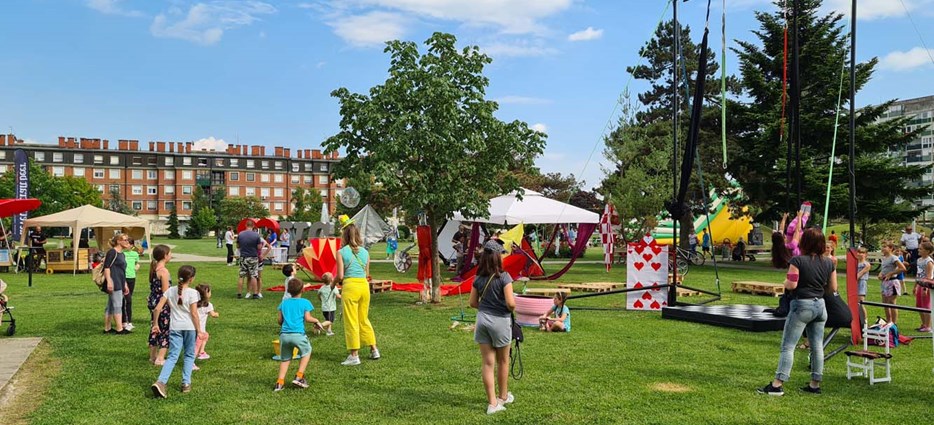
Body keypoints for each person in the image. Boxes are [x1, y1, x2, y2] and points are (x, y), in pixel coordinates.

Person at [758, 228, 836, 396]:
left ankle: (777, 385)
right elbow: (833, 288)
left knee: (788, 346)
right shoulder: (829, 262)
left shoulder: (797, 260)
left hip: (801, 305)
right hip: (820, 306)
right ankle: (815, 384)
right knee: (817, 346)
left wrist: (785, 283)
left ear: (804, 242)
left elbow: (792, 284)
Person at [468, 239, 516, 414]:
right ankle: (503, 396)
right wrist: (511, 307)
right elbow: (510, 303)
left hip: (482, 320)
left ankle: (492, 403)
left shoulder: (478, 278)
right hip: (500, 321)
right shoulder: (504, 277)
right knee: (503, 361)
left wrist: (486, 308)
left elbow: (472, 302)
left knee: (487, 363)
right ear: (497, 257)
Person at [150, 265, 202, 398]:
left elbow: (157, 308)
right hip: (189, 328)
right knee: (189, 355)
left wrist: (155, 324)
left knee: (172, 356)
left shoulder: (169, 291)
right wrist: (199, 330)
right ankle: (186, 383)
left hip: (175, 327)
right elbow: (194, 314)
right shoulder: (193, 293)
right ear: (191, 279)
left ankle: (161, 381)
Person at [335, 215, 379, 366]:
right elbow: (367, 274)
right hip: (363, 287)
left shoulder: (341, 252)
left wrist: (333, 283)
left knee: (351, 321)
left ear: (344, 235)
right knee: (363, 319)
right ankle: (374, 349)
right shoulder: (365, 252)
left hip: (350, 287)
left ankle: (354, 355)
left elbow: (340, 276)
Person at [274, 277, 324, 392]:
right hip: (298, 335)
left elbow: (280, 321)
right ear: (302, 289)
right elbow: (308, 318)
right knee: (307, 351)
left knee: (285, 359)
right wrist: (316, 321)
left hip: (284, 336)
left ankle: (279, 383)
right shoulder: (305, 302)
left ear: (288, 290)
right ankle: (299, 376)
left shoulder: (283, 303)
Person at [148, 245, 172, 365]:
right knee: (165, 329)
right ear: (165, 256)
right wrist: (172, 305)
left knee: (155, 326)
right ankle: (160, 358)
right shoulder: (164, 271)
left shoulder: (154, 269)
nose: (171, 256)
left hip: (153, 302)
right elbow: (166, 292)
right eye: (170, 254)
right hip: (161, 304)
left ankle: (153, 356)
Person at [103, 234, 131, 334]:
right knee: (117, 305)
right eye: (125, 240)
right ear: (118, 241)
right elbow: (106, 267)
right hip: (114, 282)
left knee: (111, 306)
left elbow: (122, 271)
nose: (127, 242)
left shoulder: (122, 254)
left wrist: (125, 284)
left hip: (120, 282)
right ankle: (119, 329)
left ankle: (107, 328)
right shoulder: (112, 252)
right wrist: (109, 281)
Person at [237, 220, 272, 299]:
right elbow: (259, 247)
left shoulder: (240, 234)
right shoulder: (256, 235)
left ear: (246, 225)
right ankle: (255, 294)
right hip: (253, 257)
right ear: (253, 226)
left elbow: (238, 246)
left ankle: (239, 293)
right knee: (254, 276)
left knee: (241, 276)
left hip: (243, 256)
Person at [878, 242, 907, 325]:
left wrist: (891, 273)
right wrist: (880, 274)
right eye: (882, 246)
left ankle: (894, 323)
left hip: (892, 282)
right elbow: (884, 269)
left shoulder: (893, 258)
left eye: (885, 247)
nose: (883, 248)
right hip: (885, 282)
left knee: (892, 303)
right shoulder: (884, 258)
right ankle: (888, 321)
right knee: (885, 303)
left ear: (891, 248)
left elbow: (903, 268)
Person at [194, 284, 219, 363]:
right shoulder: (208, 305)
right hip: (200, 329)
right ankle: (191, 363)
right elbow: (213, 314)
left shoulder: (194, 303)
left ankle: (201, 352)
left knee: (206, 335)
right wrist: (216, 314)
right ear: (206, 294)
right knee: (196, 346)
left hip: (192, 327)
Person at [122, 238, 142, 332]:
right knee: (124, 299)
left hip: (132, 277)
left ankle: (129, 321)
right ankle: (124, 321)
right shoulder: (122, 253)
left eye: (128, 243)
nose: (126, 245)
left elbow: (137, 263)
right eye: (125, 243)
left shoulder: (135, 254)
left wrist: (136, 267)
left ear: (132, 245)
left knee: (129, 299)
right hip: (123, 278)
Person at [913, 241, 933, 332]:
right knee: (919, 305)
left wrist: (925, 289)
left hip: (926, 286)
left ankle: (928, 326)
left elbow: (929, 276)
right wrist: (915, 286)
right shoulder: (919, 260)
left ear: (927, 251)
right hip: (919, 284)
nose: (919, 250)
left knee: (926, 306)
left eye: (921, 249)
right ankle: (924, 324)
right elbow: (918, 274)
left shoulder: (929, 262)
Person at [318, 272, 340, 336]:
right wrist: (344, 297)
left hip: (324, 308)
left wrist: (321, 300)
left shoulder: (322, 287)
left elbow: (318, 294)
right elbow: (338, 296)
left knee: (328, 319)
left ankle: (329, 331)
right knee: (330, 321)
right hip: (330, 308)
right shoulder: (333, 287)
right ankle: (320, 325)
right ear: (332, 280)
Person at [856, 247, 872, 322]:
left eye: (862, 253)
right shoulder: (855, 263)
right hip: (855, 283)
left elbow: (860, 274)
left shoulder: (866, 264)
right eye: (859, 252)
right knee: (855, 303)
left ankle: (865, 320)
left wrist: (854, 278)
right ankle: (857, 319)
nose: (860, 254)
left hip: (861, 282)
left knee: (861, 302)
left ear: (865, 254)